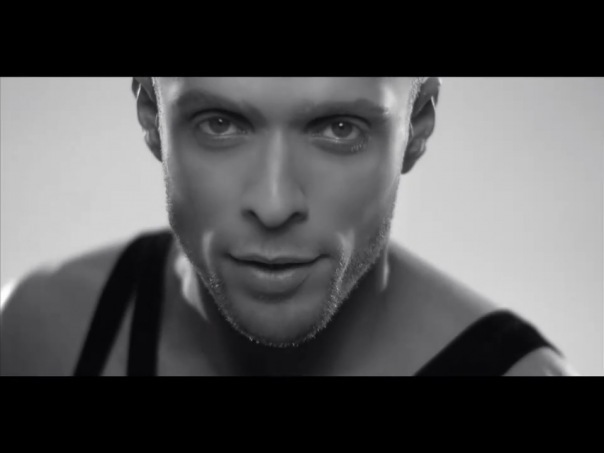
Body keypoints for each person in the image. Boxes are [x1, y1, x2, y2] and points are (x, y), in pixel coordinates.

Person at [0, 77, 578, 376]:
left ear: (417, 123)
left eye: (339, 128)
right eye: (220, 123)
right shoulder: (38, 335)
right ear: (152, 113)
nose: (274, 205)